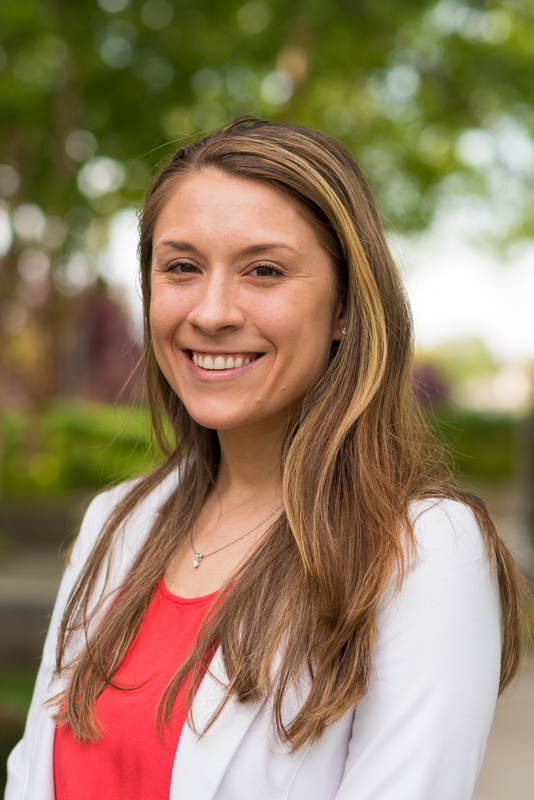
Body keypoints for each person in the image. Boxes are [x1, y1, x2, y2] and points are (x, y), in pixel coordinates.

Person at [6, 117, 526, 800]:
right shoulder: (114, 522)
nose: (213, 311)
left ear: (345, 305)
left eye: (265, 270)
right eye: (182, 267)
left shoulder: (423, 552)